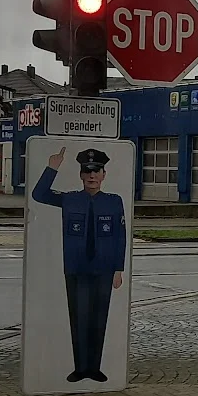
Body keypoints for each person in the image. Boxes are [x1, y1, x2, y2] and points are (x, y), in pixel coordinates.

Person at [32, 146, 126, 383]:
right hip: (76, 269)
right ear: (81, 175)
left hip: (104, 269)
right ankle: (80, 368)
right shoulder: (70, 199)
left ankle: (94, 368)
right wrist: (52, 166)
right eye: (87, 171)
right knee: (79, 318)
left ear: (104, 174)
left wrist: (118, 269)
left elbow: (120, 237)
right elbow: (39, 194)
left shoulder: (114, 202)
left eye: (96, 171)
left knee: (98, 320)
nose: (92, 176)